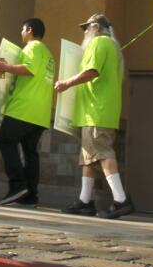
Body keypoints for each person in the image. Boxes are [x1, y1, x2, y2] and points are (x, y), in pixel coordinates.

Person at [57, 14, 133, 219]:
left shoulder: (99, 43)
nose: (84, 31)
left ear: (96, 27)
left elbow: (91, 71)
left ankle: (121, 199)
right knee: (88, 159)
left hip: (95, 111)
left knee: (102, 152)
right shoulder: (113, 47)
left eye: (86, 27)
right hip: (98, 111)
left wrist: (66, 83)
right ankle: (84, 201)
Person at [0, 17, 54, 207]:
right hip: (40, 113)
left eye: (22, 29)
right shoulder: (49, 54)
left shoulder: (33, 47)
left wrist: (5, 67)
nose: (21, 33)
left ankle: (18, 185)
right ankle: (30, 196)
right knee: (30, 152)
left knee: (5, 140)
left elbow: (29, 69)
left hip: (23, 109)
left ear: (28, 29)